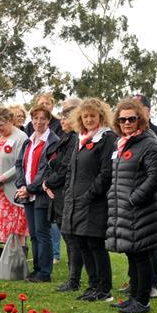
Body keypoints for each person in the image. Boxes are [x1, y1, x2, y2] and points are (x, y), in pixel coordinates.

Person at [106, 98, 157, 313]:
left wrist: (134, 198)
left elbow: (156, 175)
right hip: (126, 210)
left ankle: (142, 301)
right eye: (122, 119)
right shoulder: (123, 142)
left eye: (132, 118)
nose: (127, 123)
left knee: (142, 255)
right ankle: (133, 298)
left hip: (142, 210)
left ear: (140, 119)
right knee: (132, 255)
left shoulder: (148, 141)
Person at [61, 98, 116, 301]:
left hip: (95, 201)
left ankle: (104, 289)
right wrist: (69, 193)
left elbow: (106, 172)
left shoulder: (107, 138)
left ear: (101, 116)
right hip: (76, 201)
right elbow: (71, 170)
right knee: (81, 243)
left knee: (95, 244)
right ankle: (93, 285)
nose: (89, 119)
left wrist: (89, 194)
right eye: (85, 116)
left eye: (93, 115)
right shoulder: (80, 138)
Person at [43, 104, 85, 291]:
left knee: (71, 238)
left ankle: (74, 279)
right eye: (61, 118)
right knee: (67, 235)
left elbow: (65, 168)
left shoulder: (75, 139)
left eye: (66, 118)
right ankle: (72, 278)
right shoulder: (65, 139)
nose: (62, 121)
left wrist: (49, 182)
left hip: (65, 193)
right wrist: (46, 182)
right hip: (57, 193)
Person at [15, 105, 59, 282]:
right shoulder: (29, 140)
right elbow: (19, 164)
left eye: (43, 118)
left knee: (42, 233)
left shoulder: (53, 141)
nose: (39, 122)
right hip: (27, 194)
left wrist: (30, 188)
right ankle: (37, 268)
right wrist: (21, 185)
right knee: (33, 234)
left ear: (48, 120)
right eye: (35, 118)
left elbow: (47, 169)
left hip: (41, 193)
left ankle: (45, 272)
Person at [133, 94, 157, 298]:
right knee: (134, 240)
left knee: (153, 241)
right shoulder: (128, 135)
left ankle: (153, 282)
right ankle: (135, 281)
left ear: (147, 111)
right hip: (132, 194)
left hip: (152, 194)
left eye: (138, 108)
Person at [0, 107, 29, 248]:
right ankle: (5, 263)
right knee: (3, 232)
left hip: (13, 192)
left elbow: (20, 164)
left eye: (0, 125)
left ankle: (17, 264)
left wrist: (0, 179)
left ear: (10, 121)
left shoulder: (21, 137)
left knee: (16, 232)